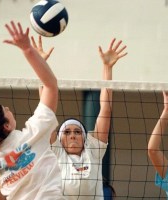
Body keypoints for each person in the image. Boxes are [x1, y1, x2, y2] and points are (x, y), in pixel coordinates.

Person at [0, 21, 64, 200]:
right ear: (6, 125)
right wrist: (28, 50)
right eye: (5, 109)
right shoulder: (34, 134)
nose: (8, 108)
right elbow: (51, 85)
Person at [31, 37, 127, 199]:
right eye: (67, 132)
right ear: (59, 139)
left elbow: (106, 110)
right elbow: (45, 111)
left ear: (84, 137)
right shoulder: (56, 153)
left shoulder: (93, 150)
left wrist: (107, 68)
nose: (73, 135)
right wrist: (41, 63)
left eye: (77, 131)